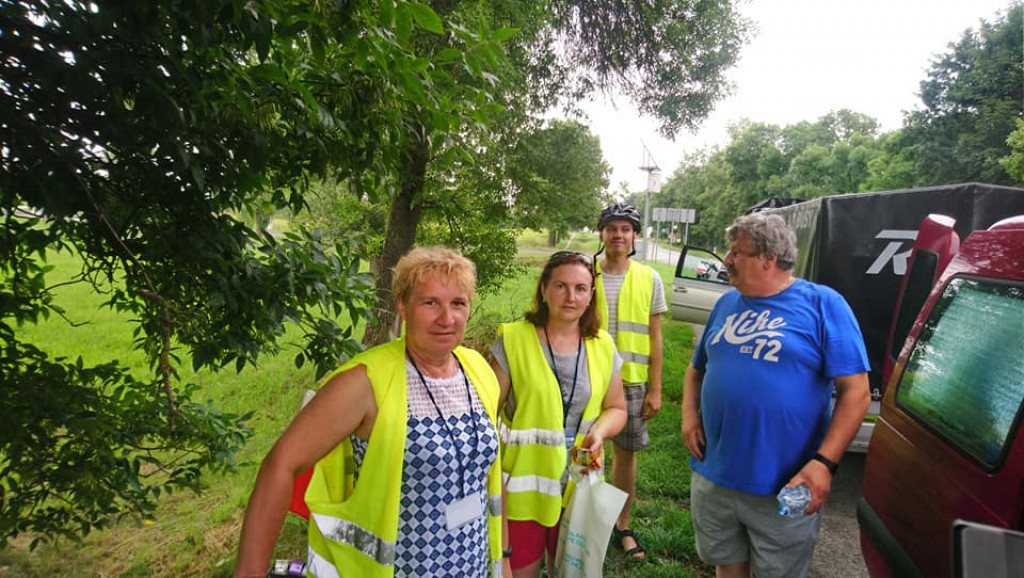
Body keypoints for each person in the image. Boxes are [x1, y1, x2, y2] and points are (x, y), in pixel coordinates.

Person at [236, 247, 510, 578]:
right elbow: (280, 465)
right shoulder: (365, 381)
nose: (446, 318)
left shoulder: (477, 369)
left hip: (473, 568)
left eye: (458, 303)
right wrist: (250, 572)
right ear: (402, 306)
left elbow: (489, 472)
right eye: (430, 303)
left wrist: (505, 560)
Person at [681, 213, 871, 578]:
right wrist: (689, 416)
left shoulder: (823, 304)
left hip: (784, 484)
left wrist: (824, 463)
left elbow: (857, 392)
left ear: (769, 258)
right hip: (715, 474)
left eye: (737, 253)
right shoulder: (726, 303)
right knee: (726, 563)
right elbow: (696, 368)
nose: (727, 260)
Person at [491, 250, 627, 578]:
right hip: (523, 491)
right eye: (560, 286)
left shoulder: (603, 345)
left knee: (568, 572)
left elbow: (617, 408)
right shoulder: (513, 339)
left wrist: (600, 431)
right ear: (543, 290)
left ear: (591, 295)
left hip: (578, 485)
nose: (571, 297)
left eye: (580, 289)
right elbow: (488, 411)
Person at [592, 203, 668, 560]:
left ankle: (622, 525)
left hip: (632, 381)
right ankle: (584, 520)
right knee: (583, 451)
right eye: (612, 228)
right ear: (602, 233)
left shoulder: (649, 278)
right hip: (588, 378)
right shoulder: (584, 272)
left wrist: (656, 388)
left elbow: (655, 336)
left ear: (635, 235)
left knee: (624, 456)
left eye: (625, 229)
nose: (618, 235)